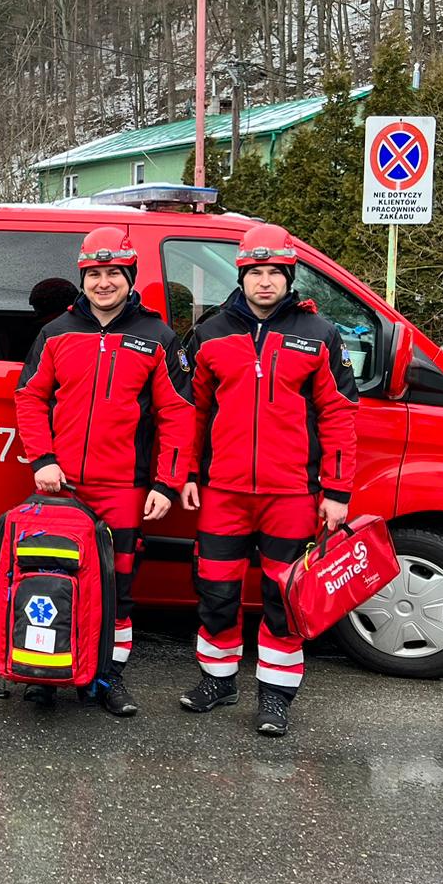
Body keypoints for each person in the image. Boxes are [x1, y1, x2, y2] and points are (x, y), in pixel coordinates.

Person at [179, 222, 358, 736]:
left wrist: (337, 490)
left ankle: (275, 696)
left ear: (289, 276)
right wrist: (186, 473)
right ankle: (218, 680)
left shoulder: (320, 334)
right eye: (255, 272)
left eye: (274, 272)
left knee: (284, 598)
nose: (264, 281)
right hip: (223, 491)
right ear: (241, 275)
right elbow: (192, 412)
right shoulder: (210, 333)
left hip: (292, 494)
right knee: (215, 593)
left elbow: (339, 414)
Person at [14, 225, 194, 715]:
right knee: (50, 575)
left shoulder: (157, 337)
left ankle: (108, 678)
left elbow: (178, 414)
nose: (104, 282)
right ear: (83, 278)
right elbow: (29, 398)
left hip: (125, 487)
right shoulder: (56, 332)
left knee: (118, 587)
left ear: (130, 276)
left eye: (114, 272)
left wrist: (166, 483)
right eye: (94, 273)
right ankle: (43, 674)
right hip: (61, 485)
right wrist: (43, 459)